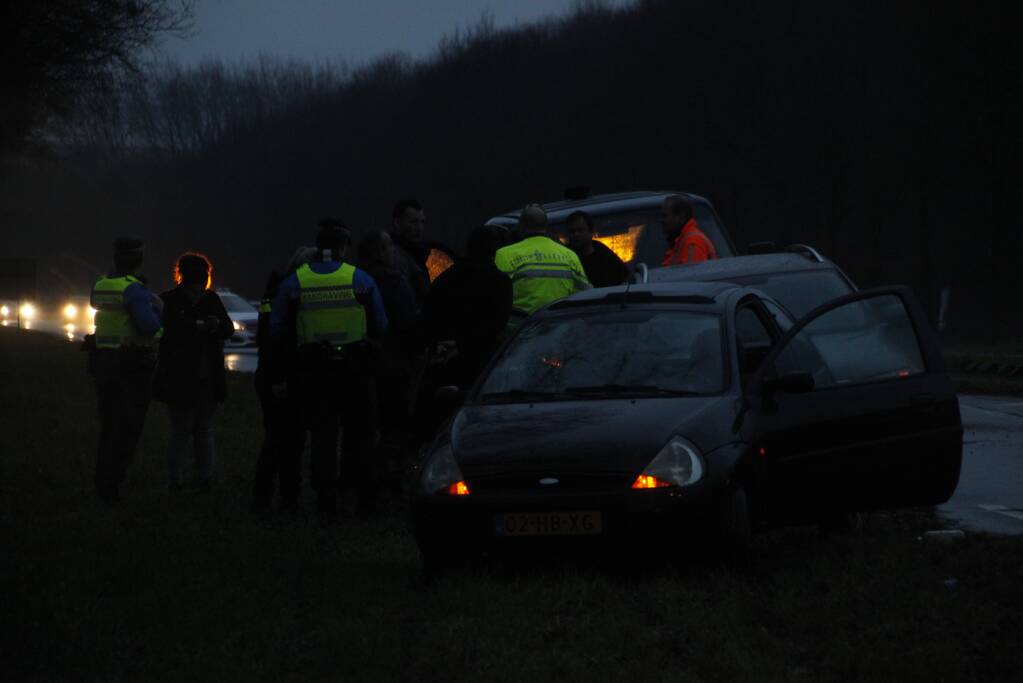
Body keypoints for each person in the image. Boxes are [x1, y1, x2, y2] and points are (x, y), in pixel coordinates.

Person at [270, 219, 389, 521]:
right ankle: (365, 505)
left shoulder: (296, 281)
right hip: (355, 370)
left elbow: (277, 327)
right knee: (361, 438)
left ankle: (326, 506)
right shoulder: (360, 279)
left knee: (323, 439)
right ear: (343, 248)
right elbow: (382, 324)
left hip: (313, 371)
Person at [88, 236, 163, 502]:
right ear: (139, 262)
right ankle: (112, 487)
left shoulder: (101, 285)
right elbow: (148, 325)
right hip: (130, 365)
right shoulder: (135, 290)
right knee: (127, 428)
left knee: (108, 426)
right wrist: (159, 311)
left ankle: (101, 482)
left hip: (102, 363)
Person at [154, 252, 233, 492]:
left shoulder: (173, 299)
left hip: (197, 377)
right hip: (187, 376)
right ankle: (193, 479)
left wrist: (216, 325)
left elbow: (227, 328)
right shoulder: (179, 300)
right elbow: (170, 330)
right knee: (196, 431)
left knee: (187, 431)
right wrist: (205, 326)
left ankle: (185, 479)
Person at [251, 248, 313, 513]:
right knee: (284, 442)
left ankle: (270, 500)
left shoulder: (277, 292)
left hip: (273, 376)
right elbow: (275, 340)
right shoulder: (288, 294)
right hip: (281, 377)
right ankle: (281, 501)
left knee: (281, 441)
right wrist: (281, 377)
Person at [422, 225, 512, 388]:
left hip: (447, 361)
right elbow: (498, 325)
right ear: (494, 250)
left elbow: (429, 315)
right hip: (484, 364)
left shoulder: (446, 279)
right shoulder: (500, 282)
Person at [495, 204, 591, 318]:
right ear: (546, 226)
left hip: (521, 329)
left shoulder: (504, 255)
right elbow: (585, 295)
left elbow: (495, 298)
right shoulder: (569, 256)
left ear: (521, 227)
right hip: (558, 328)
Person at [564, 210, 629, 287]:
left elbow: (625, 279)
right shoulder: (564, 257)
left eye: (580, 230)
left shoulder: (605, 254)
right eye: (572, 231)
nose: (576, 234)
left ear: (591, 232)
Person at [389, 199, 430, 309]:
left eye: (422, 222)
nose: (419, 228)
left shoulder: (419, 253)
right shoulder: (393, 256)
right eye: (414, 222)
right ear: (397, 222)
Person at [661, 195, 718, 266]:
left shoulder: (692, 243)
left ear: (680, 217)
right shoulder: (682, 241)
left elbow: (694, 275)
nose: (661, 220)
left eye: (665, 216)